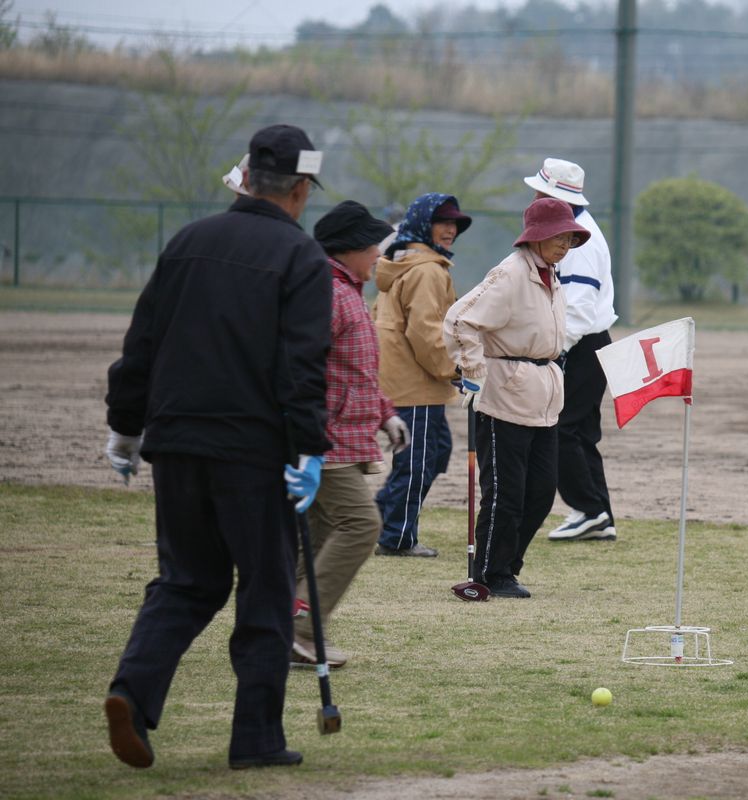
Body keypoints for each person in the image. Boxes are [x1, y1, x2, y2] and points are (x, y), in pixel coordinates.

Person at [102, 124, 330, 769]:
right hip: (253, 453)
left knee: (186, 580)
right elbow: (302, 366)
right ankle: (255, 738)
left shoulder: (188, 242)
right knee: (264, 589)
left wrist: (125, 427)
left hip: (174, 442)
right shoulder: (301, 258)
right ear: (301, 189)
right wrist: (309, 450)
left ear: (249, 178)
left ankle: (132, 691)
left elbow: (141, 342)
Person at [442, 197, 587, 598]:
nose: (564, 244)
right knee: (506, 491)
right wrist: (471, 369)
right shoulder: (509, 274)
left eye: (570, 237)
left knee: (541, 491)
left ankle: (508, 564)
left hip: (542, 393)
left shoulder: (550, 274)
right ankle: (491, 572)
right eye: (558, 236)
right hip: (504, 392)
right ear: (536, 237)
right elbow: (459, 320)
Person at [292, 201, 409, 669]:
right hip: (325, 441)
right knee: (362, 525)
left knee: (321, 538)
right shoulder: (325, 291)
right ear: (349, 250)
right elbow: (303, 370)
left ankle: (282, 626)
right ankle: (299, 629)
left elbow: (355, 370)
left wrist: (385, 415)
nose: (379, 256)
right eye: (373, 249)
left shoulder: (348, 290)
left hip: (344, 437)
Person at [523, 158, 619, 542]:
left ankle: (590, 510)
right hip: (590, 344)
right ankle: (598, 513)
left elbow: (578, 308)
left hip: (581, 345)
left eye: (539, 192)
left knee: (562, 428)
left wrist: (552, 350)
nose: (533, 197)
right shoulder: (576, 231)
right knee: (580, 432)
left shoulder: (577, 240)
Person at [373, 193, 473, 557]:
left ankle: (380, 515)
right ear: (422, 224)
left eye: (455, 225)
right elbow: (427, 333)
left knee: (433, 452)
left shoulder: (406, 262)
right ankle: (397, 537)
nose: (450, 230)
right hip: (414, 384)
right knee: (416, 462)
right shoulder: (427, 270)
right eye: (442, 222)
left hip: (408, 380)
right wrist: (455, 369)